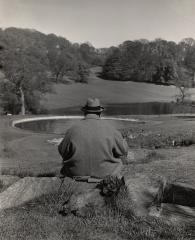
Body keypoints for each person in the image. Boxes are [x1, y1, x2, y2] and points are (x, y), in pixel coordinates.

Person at [58, 98, 128, 181]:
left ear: (85, 112)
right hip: (105, 174)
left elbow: (62, 151)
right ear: (100, 112)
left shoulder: (72, 129)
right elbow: (123, 151)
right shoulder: (110, 129)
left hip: (75, 174)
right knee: (120, 162)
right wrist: (123, 140)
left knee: (64, 165)